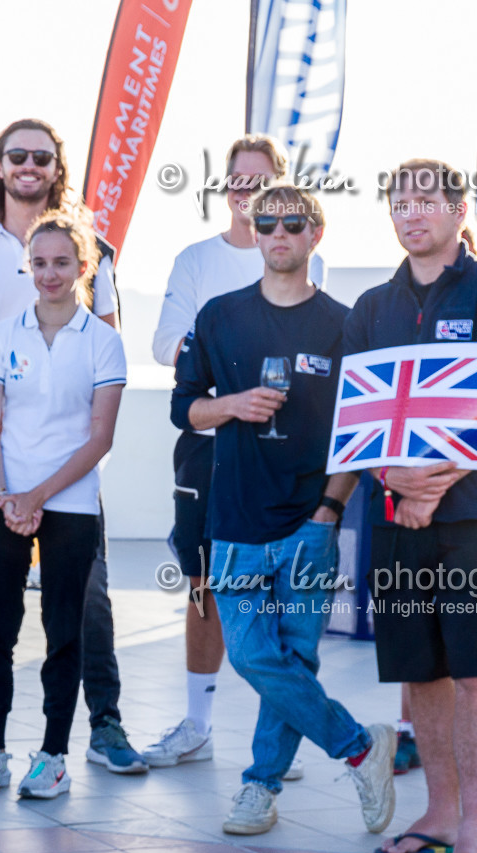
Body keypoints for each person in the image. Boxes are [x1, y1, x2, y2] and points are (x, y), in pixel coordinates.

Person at [171, 184, 397, 837]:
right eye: (264, 220)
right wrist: (233, 405)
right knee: (250, 654)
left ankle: (259, 785)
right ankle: (359, 745)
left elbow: (361, 429)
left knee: (293, 663)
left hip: (311, 525)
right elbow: (183, 407)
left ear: (313, 234)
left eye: (291, 223)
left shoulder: (345, 323)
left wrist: (329, 511)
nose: (276, 231)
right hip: (237, 524)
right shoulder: (219, 316)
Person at [0, 118, 144, 775]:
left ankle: (102, 728)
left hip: (68, 469)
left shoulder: (99, 251)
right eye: (16, 155)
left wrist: (39, 481)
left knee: (86, 598)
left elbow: (104, 363)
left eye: (42, 156)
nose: (29, 165)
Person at [147, 134, 326, 772]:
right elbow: (166, 343)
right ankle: (197, 725)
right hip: (209, 451)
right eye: (237, 182)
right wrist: (229, 371)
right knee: (204, 589)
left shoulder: (304, 259)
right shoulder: (196, 261)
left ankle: (282, 735)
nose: (247, 193)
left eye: (260, 182)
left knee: (278, 601)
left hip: (285, 457)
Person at [345, 160, 477, 853]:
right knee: (420, 670)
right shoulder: (371, 307)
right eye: (400, 202)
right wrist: (394, 479)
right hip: (396, 515)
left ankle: (475, 830)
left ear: (459, 209)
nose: (412, 213)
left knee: (471, 674)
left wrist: (439, 480)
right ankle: (440, 811)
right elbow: (355, 416)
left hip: (469, 519)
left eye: (427, 200)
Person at [0, 211, 127, 799]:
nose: (49, 273)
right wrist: (9, 494)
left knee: (64, 631)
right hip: (1, 500)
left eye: (62, 262)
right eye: (39, 263)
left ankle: (53, 755)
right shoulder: (4, 333)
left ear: (84, 267)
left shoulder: (105, 342)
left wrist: (37, 496)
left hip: (71, 505)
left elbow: (99, 437)